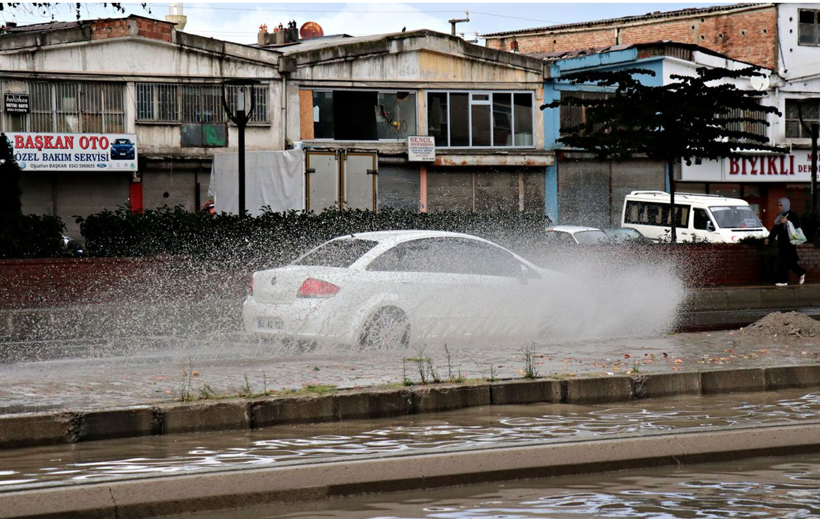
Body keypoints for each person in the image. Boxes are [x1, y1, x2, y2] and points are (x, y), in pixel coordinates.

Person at [765, 197, 806, 287]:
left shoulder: (792, 215)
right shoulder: (779, 216)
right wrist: (769, 239)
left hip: (790, 242)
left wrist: (787, 221)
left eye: (781, 205)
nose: (779, 207)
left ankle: (783, 280)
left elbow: (797, 226)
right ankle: (801, 272)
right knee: (789, 262)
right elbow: (775, 229)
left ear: (786, 205)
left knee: (784, 261)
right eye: (778, 205)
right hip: (782, 242)